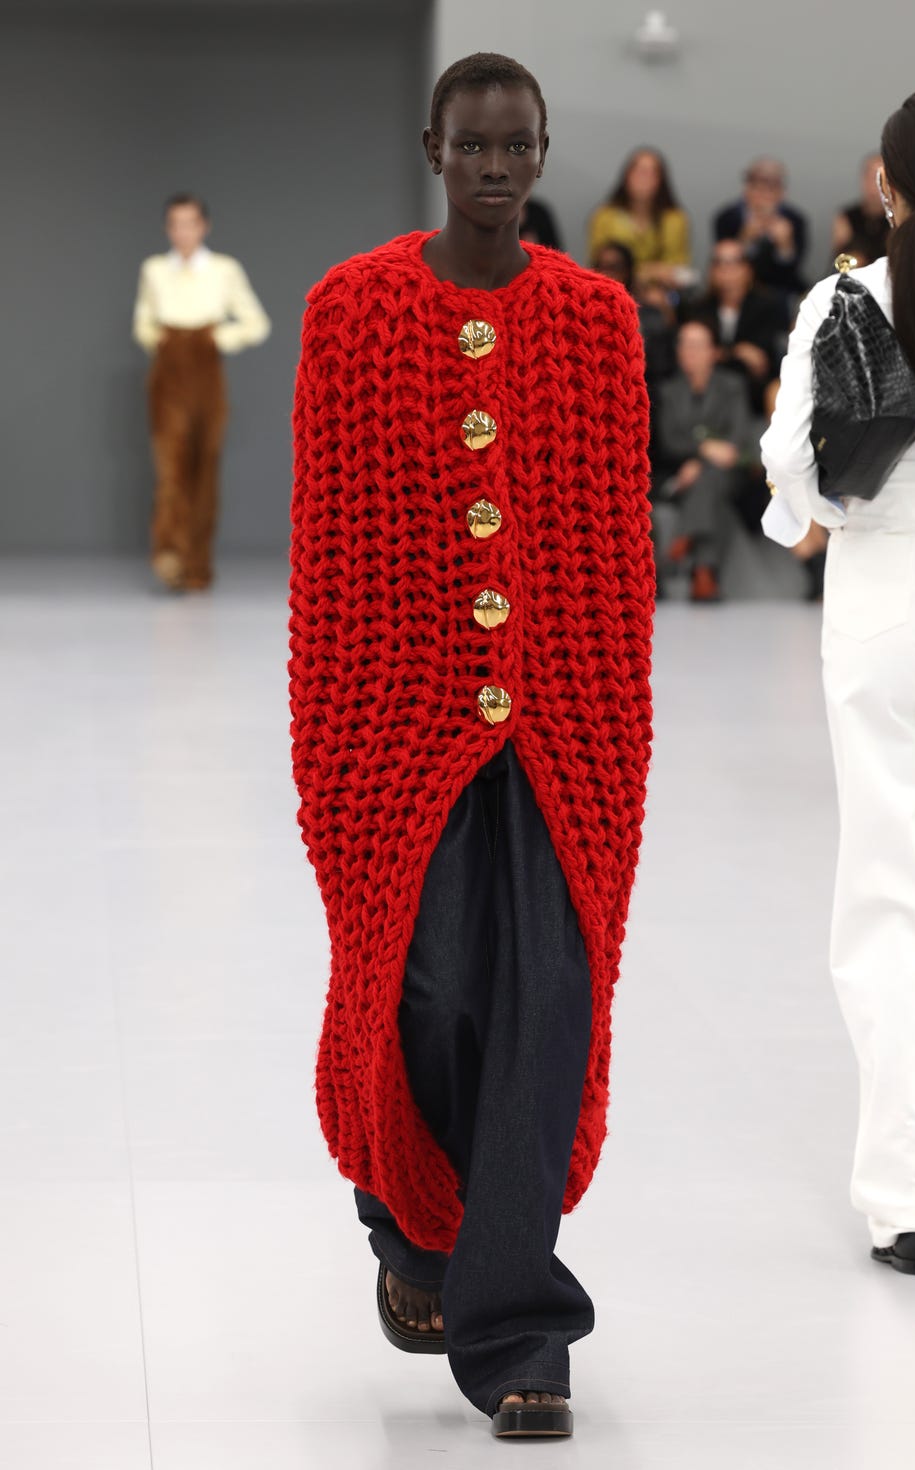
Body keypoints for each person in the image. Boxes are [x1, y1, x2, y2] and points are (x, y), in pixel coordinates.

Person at [288, 53, 655, 1438]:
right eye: (474, 146)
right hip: (396, 714)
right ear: (435, 146)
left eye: (520, 146)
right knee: (428, 986)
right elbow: (332, 540)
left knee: (548, 996)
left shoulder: (598, 322)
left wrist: (609, 703)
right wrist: (337, 725)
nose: (497, 167)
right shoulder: (352, 312)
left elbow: (615, 542)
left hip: (564, 716)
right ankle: (410, 1222)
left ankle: (520, 1327)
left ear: (545, 149)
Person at [761, 88, 915, 1274]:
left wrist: (802, 507)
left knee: (884, 895)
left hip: (882, 611)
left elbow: (794, 467)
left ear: (881, 182)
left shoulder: (842, 296)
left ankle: (906, 1200)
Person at [132, 194, 270, 591]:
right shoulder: (155, 270)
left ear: (204, 226)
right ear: (167, 229)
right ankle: (169, 554)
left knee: (204, 468)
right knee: (170, 466)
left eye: (190, 223)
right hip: (168, 369)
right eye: (175, 224)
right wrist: (159, 341)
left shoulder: (224, 270)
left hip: (207, 371)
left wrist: (216, 340)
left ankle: (197, 566)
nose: (183, 232)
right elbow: (143, 319)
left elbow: (255, 322)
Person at [653, 317, 753, 600]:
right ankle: (703, 575)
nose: (689, 351)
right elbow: (669, 441)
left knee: (710, 476)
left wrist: (702, 458)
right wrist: (705, 450)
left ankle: (685, 534)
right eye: (684, 344)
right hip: (683, 474)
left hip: (730, 473)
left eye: (697, 345)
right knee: (709, 487)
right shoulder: (669, 390)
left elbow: (737, 438)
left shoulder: (732, 385)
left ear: (714, 351)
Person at [685, 240, 787, 414]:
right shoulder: (697, 308)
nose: (725, 269)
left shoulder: (769, 306)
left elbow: (761, 359)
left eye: (733, 262)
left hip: (753, 388)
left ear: (748, 269)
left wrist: (719, 354)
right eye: (719, 262)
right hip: (706, 385)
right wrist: (737, 351)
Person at [589, 147, 693, 287]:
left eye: (651, 172)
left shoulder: (675, 219)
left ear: (661, 180)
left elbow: (677, 270)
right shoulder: (604, 216)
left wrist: (634, 272)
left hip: (661, 293)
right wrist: (653, 271)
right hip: (612, 287)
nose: (643, 178)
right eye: (639, 171)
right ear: (626, 176)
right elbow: (599, 264)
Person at [714, 158, 808, 300]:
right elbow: (722, 264)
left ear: (782, 193)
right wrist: (744, 240)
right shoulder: (726, 218)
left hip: (782, 289)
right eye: (758, 187)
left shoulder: (795, 220)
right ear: (747, 190)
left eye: (771, 189)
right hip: (738, 289)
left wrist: (785, 247)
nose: (764, 196)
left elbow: (793, 269)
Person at [831, 153, 890, 265]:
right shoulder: (847, 217)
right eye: (872, 178)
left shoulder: (900, 218)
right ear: (863, 179)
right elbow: (843, 260)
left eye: (883, 179)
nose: (876, 185)